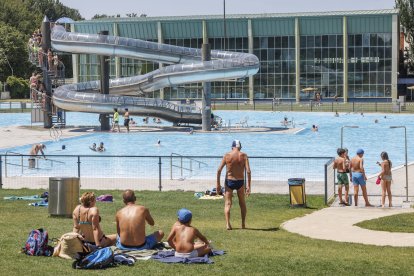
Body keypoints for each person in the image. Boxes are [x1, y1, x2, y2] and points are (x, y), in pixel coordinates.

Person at [216, 140, 251, 230]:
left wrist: (218, 185)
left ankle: (228, 224)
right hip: (240, 181)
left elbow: (219, 170)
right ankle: (243, 224)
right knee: (242, 203)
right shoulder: (244, 156)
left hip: (229, 181)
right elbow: (248, 171)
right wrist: (249, 186)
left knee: (228, 204)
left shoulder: (227, 155)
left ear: (232, 147)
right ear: (240, 147)